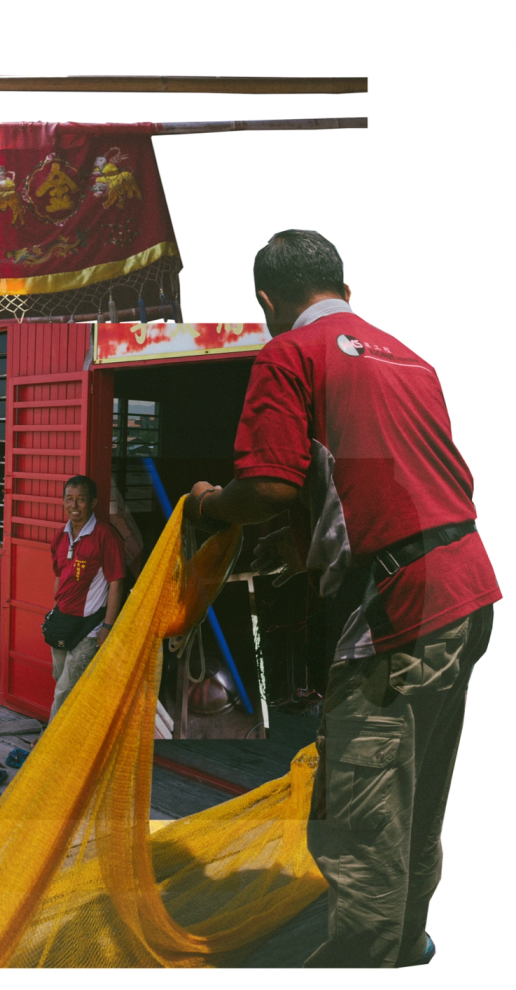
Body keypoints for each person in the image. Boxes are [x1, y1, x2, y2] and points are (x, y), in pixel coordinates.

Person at [183, 230, 500, 968]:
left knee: (360, 804)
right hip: (465, 591)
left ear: (266, 300)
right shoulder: (408, 359)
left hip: (397, 606)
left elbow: (267, 487)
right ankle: (407, 939)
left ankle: (365, 959)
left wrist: (206, 506)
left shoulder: (289, 354)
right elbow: (393, 482)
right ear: (344, 289)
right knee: (415, 787)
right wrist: (308, 547)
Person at [46, 475, 126, 719]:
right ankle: (73, 736)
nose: (74, 505)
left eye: (81, 499)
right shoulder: (60, 536)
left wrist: (108, 627)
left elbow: (116, 583)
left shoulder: (105, 536)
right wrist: (55, 612)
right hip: (63, 622)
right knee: (62, 680)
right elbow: (59, 577)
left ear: (93, 503)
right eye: (69, 499)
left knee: (65, 690)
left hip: (89, 627)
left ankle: (50, 744)